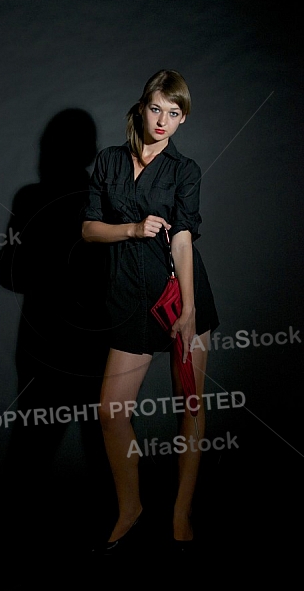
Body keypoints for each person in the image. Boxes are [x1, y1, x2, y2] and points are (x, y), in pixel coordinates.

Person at [82, 69, 219, 555]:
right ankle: (131, 507)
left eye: (175, 113)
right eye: (157, 108)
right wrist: (133, 229)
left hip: (180, 293)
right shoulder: (108, 162)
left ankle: (180, 513)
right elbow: (89, 229)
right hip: (126, 295)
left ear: (182, 120)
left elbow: (182, 238)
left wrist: (189, 308)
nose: (163, 120)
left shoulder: (185, 170)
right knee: (111, 412)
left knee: (191, 404)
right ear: (142, 108)